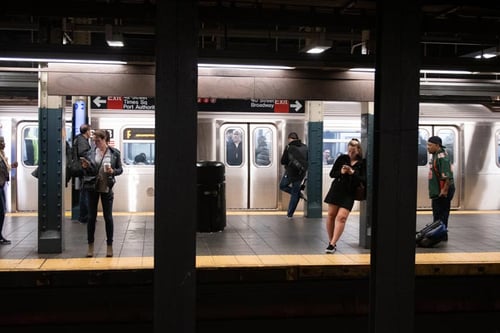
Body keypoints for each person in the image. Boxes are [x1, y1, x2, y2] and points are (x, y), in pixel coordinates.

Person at [81, 129, 123, 257]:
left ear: (105, 140)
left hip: (107, 187)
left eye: (98, 141)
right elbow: (87, 173)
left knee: (108, 217)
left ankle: (109, 246)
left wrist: (113, 171)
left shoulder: (114, 153)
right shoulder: (90, 153)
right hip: (92, 187)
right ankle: (90, 246)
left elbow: (120, 169)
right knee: (91, 217)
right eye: (94, 141)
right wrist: (85, 167)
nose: (96, 143)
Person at [324, 138, 365, 253]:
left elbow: (363, 179)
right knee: (331, 215)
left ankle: (332, 244)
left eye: (353, 151)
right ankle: (331, 241)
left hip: (349, 192)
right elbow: (332, 174)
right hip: (337, 189)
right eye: (349, 151)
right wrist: (341, 172)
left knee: (341, 217)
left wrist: (353, 173)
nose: (350, 154)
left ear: (358, 151)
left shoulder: (362, 163)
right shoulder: (342, 159)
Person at [427, 135, 455, 235]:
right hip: (439, 189)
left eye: (430, 145)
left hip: (443, 189)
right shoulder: (435, 154)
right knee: (437, 213)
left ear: (437, 145)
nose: (428, 147)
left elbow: (447, 176)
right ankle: (437, 233)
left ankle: (441, 234)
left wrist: (444, 190)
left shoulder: (441, 156)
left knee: (442, 214)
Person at [279, 132, 308, 218]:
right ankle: (290, 214)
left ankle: (299, 194)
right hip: (300, 174)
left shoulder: (289, 147)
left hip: (290, 173)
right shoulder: (305, 147)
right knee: (295, 192)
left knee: (282, 186)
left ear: (289, 138)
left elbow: (283, 161)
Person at [0, 136, 18, 245]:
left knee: (2, 211)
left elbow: (3, 168)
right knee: (1, 211)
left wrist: (11, 166)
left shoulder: (2, 155)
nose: (4, 144)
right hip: (0, 186)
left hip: (1, 185)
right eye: (2, 142)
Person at [73, 124, 92, 224]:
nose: (91, 133)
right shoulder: (82, 140)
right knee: (84, 193)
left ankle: (84, 216)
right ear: (87, 131)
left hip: (81, 169)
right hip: (83, 169)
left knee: (84, 192)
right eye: (90, 130)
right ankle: (84, 216)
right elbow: (83, 153)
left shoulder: (79, 139)